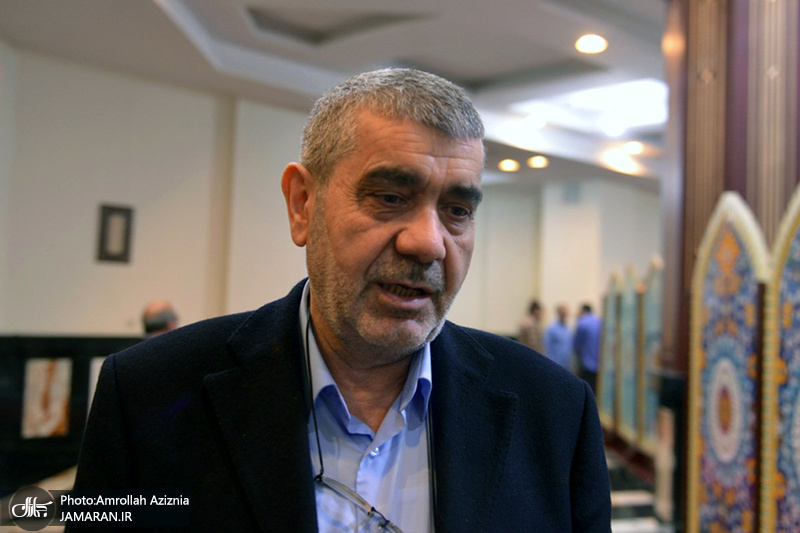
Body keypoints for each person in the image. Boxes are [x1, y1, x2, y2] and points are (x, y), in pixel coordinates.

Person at [72, 68, 610, 532]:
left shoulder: (556, 415)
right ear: (302, 205)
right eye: (390, 197)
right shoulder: (147, 395)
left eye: (457, 211)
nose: (428, 243)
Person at [574, 302, 603, 394]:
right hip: (600, 365)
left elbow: (577, 346)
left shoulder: (582, 323)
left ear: (583, 311)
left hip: (587, 366)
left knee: (587, 393)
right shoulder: (599, 321)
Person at [544, 303, 573, 369]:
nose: (564, 314)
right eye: (562, 312)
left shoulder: (568, 328)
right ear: (558, 313)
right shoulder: (551, 328)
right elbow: (547, 347)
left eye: (565, 312)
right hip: (555, 365)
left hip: (566, 365)